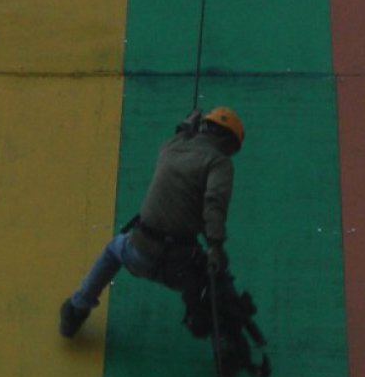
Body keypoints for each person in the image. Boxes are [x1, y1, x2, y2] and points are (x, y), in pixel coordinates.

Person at [59, 106, 245, 339]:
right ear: (228, 141)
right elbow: (214, 204)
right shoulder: (219, 163)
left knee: (113, 249)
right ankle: (227, 346)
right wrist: (216, 247)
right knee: (218, 283)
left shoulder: (170, 147)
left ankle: (76, 310)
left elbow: (180, 136)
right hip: (180, 266)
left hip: (139, 252)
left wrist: (185, 127)